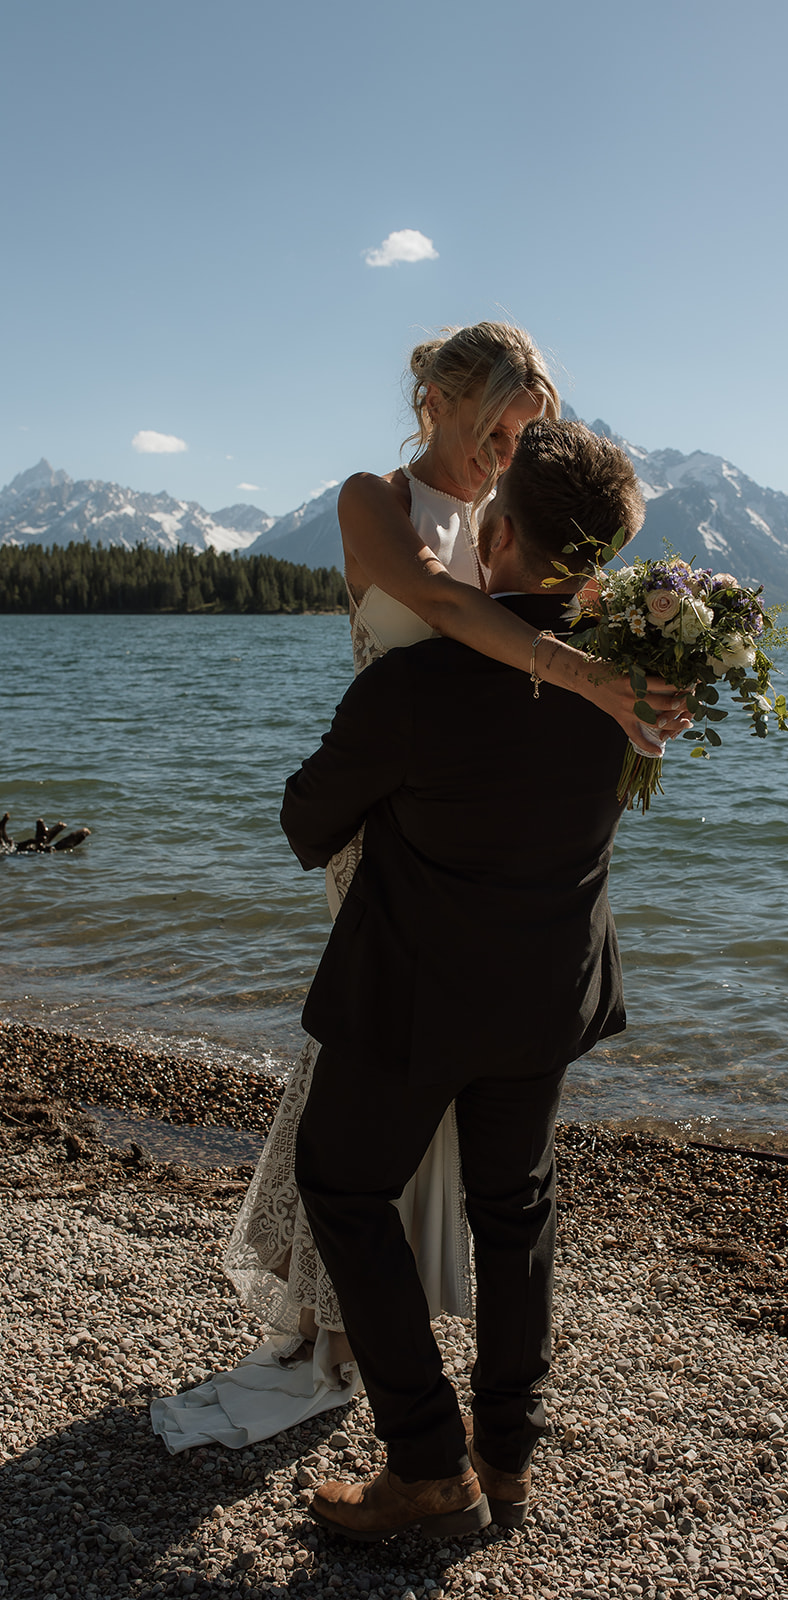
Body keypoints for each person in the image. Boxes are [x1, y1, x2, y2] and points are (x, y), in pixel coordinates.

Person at [218, 324, 686, 1416]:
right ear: (435, 399)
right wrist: (585, 675)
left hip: (458, 812)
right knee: (373, 1077)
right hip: (390, 815)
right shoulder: (370, 502)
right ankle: (348, 1330)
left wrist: (653, 682)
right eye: (495, 429)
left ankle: (390, 1347)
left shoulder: (514, 518)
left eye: (523, 437)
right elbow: (439, 607)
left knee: (400, 1091)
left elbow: (533, 623)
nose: (504, 455)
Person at [287, 418, 647, 1541]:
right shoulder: (632, 689)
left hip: (413, 995)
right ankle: (508, 1456)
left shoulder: (416, 685)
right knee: (516, 1208)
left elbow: (306, 822)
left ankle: (428, 1463)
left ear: (495, 530)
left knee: (342, 1186)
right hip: (547, 996)